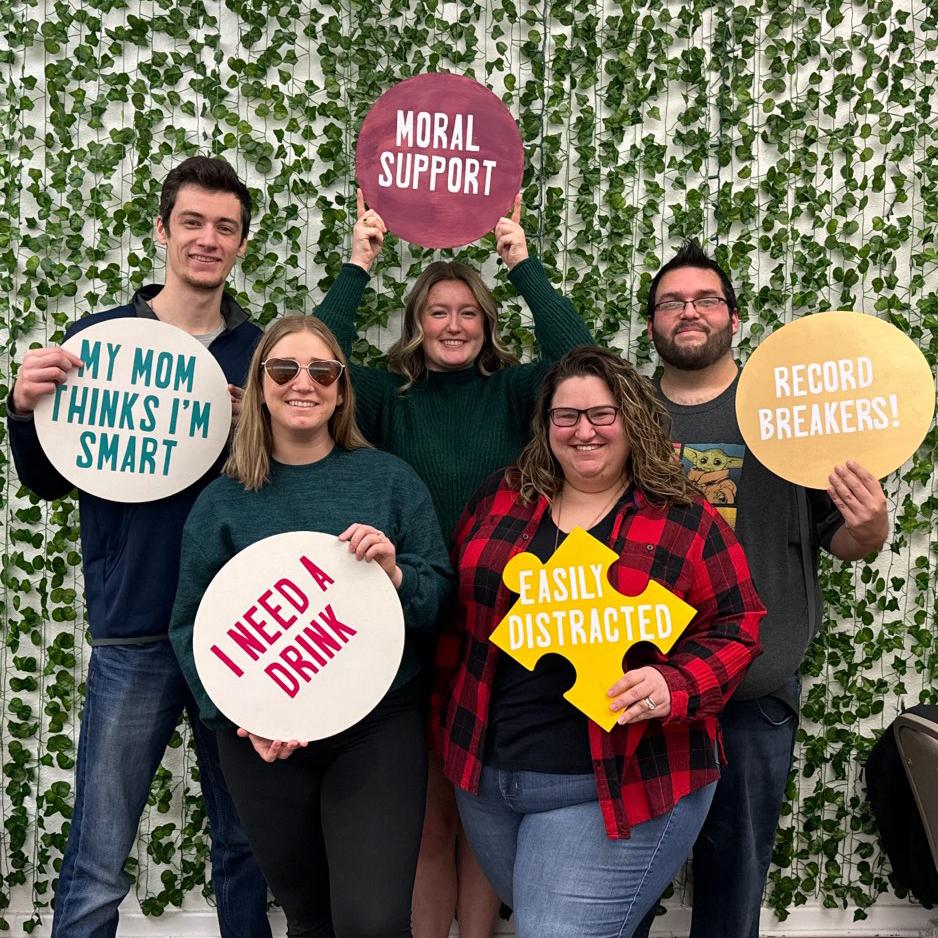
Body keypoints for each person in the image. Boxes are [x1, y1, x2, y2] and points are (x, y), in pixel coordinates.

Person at [314, 191, 594, 937]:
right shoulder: (389, 397)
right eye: (438, 311)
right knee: (433, 820)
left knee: (483, 817)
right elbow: (313, 361)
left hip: (502, 626)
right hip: (411, 624)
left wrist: (521, 262)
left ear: (487, 323)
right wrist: (359, 263)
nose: (454, 325)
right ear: (417, 322)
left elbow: (584, 362)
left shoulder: (515, 392)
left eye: (469, 312)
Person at [432, 346, 766, 938]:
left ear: (631, 419)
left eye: (602, 415)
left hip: (616, 778)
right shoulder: (504, 496)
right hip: (489, 779)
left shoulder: (683, 518)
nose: (583, 431)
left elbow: (738, 624)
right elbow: (455, 610)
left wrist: (674, 683)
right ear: (546, 425)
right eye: (566, 416)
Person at [633, 241, 889, 938]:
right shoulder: (622, 415)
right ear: (651, 323)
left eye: (706, 300)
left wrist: (870, 528)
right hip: (638, 690)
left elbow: (840, 535)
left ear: (735, 318)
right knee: (623, 894)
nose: (689, 312)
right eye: (672, 302)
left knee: (733, 891)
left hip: (754, 691)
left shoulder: (788, 411)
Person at [169, 315, 452, 937]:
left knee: (372, 922)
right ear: (260, 386)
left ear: (342, 390)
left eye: (322, 371)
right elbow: (190, 627)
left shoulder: (390, 480)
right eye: (284, 369)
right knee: (309, 918)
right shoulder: (223, 501)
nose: (304, 383)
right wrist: (241, 718)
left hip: (375, 728)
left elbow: (438, 597)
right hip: (264, 737)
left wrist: (396, 575)